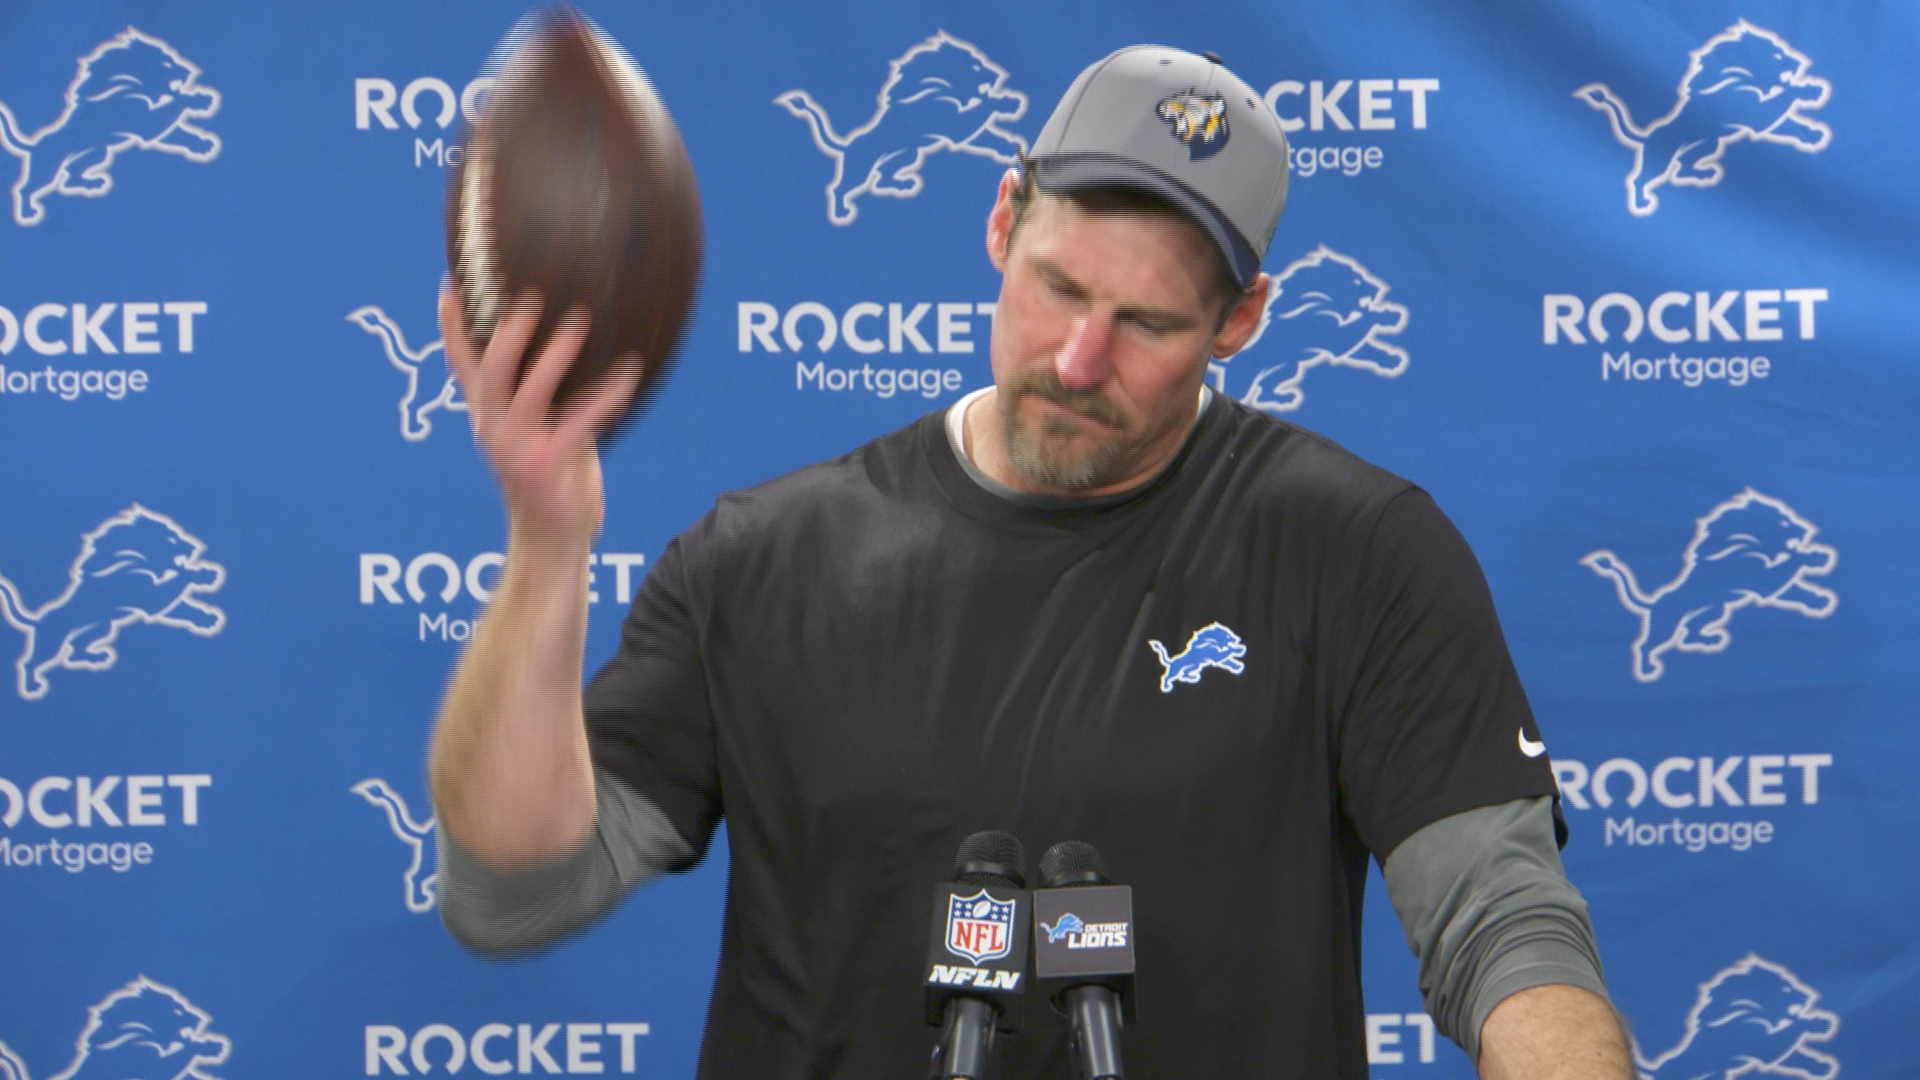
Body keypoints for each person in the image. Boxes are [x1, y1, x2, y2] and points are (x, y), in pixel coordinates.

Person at [428, 45, 1633, 1080]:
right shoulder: (765, 558)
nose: (1075, 356)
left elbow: (1505, 925)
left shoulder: (1360, 554)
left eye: (1150, 325)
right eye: (1056, 287)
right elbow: (515, 890)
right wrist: (546, 543)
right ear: (1003, 221)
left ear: (1243, 320)